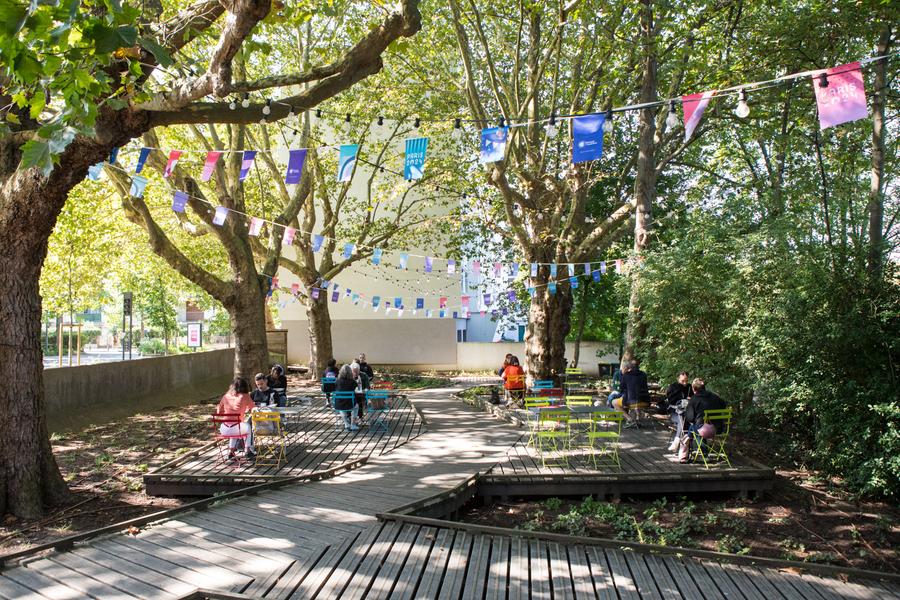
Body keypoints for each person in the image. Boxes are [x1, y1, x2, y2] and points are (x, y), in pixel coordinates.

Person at [678, 378, 726, 462]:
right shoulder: (714, 396)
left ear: (694, 389)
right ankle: (688, 442)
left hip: (705, 431)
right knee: (698, 426)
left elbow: (690, 418)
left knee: (695, 427)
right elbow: (724, 405)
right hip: (719, 429)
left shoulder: (694, 399)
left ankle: (698, 452)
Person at [216, 377, 256, 460]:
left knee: (235, 428)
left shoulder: (226, 396)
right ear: (245, 387)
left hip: (223, 429)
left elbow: (219, 412)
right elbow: (254, 409)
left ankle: (231, 452)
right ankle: (248, 450)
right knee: (248, 427)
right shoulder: (245, 396)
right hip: (236, 427)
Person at [665, 371, 693, 452]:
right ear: (678, 379)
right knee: (682, 419)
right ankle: (678, 442)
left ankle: (680, 444)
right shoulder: (672, 387)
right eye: (682, 381)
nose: (685, 383)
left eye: (686, 381)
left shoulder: (690, 387)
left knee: (687, 420)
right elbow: (670, 401)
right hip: (674, 412)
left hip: (687, 412)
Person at [620, 360, 650, 428]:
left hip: (630, 402)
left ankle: (630, 419)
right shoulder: (643, 374)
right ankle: (637, 420)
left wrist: (623, 373)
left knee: (614, 402)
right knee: (636, 401)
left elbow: (622, 388)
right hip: (645, 400)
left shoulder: (626, 375)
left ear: (629, 367)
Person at [334, 365, 359, 431]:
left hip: (339, 404)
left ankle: (346, 424)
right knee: (356, 407)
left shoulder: (337, 381)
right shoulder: (352, 382)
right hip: (350, 404)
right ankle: (353, 424)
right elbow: (357, 388)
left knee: (341, 409)